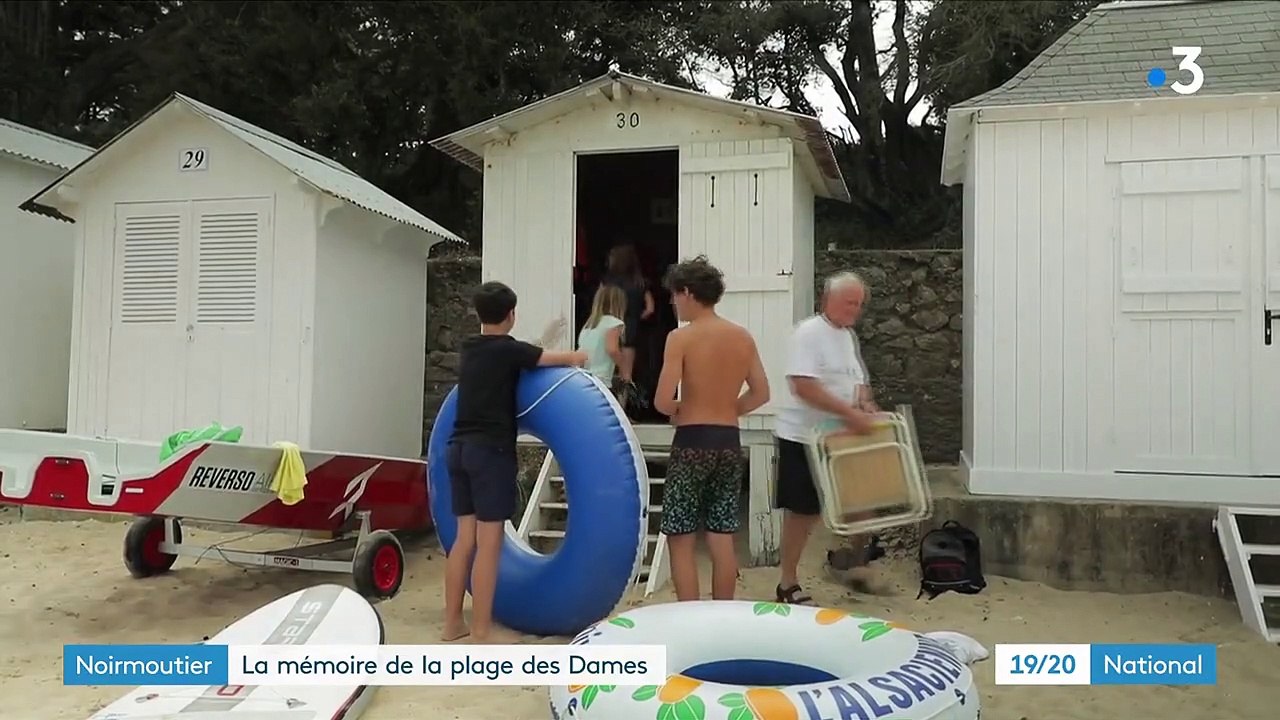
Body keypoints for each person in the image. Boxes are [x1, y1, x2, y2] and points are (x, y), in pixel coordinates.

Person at [443, 281, 586, 643]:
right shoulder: (510, 351)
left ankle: (451, 625)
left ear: (477, 315)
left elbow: (523, 356)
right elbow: (552, 359)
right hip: (490, 452)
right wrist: (578, 355)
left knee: (464, 539)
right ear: (512, 315)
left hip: (457, 447)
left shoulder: (469, 348)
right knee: (490, 542)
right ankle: (480, 631)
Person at [653, 256, 770, 601]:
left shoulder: (680, 338)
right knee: (721, 533)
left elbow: (661, 400)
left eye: (675, 296)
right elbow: (762, 393)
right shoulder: (742, 337)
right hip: (728, 439)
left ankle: (690, 614)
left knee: (681, 534)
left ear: (687, 292)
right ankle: (723, 614)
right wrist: (727, 408)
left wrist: (680, 410)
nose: (674, 303)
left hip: (692, 439)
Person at [772, 272, 880, 606]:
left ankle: (854, 562)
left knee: (860, 500)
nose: (855, 310)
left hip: (839, 438)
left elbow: (857, 380)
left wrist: (866, 405)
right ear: (827, 299)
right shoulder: (808, 334)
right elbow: (803, 386)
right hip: (804, 436)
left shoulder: (847, 336)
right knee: (803, 511)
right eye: (850, 302)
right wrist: (851, 414)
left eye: (859, 304)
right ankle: (787, 582)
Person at [601, 244, 655, 385]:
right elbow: (650, 308)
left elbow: (599, 304)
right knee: (626, 376)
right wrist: (635, 317)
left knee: (605, 373)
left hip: (608, 327)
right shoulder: (640, 283)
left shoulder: (607, 282)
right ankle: (622, 405)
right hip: (631, 328)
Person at [576, 283, 629, 390]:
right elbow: (612, 349)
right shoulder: (614, 323)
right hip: (601, 379)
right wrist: (624, 368)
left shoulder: (589, 325)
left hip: (584, 375)